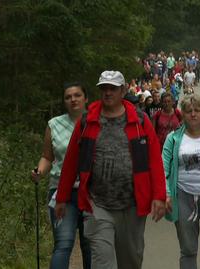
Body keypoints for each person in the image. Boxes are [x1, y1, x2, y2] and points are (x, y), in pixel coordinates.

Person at [55, 70, 166, 269]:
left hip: (132, 204)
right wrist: (62, 198)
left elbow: (155, 160)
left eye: (112, 88)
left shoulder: (140, 121)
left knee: (130, 262)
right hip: (98, 205)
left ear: (123, 91)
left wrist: (159, 195)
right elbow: (71, 162)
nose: (108, 93)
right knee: (102, 262)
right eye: (104, 88)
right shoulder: (87, 122)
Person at [31, 82, 91, 269]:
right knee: (64, 244)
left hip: (91, 191)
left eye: (77, 95)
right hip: (61, 192)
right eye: (68, 97)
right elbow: (47, 157)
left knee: (90, 245)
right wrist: (39, 171)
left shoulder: (96, 122)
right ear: (64, 101)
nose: (73, 99)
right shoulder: (54, 124)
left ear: (85, 98)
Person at [162, 94, 200, 269]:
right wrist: (166, 193)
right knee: (188, 249)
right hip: (183, 197)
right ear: (183, 114)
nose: (193, 114)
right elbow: (163, 168)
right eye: (189, 111)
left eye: (197, 110)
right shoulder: (173, 139)